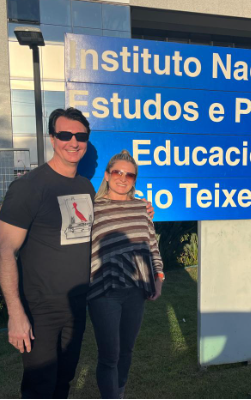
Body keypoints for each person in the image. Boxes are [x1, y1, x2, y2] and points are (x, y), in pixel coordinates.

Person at [0, 108, 153, 399]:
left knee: (64, 380)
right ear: (52, 138)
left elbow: (108, 217)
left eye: (80, 136)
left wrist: (139, 209)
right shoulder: (29, 187)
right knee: (40, 385)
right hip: (40, 308)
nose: (73, 141)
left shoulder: (85, 187)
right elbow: (5, 252)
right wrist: (15, 314)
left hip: (78, 303)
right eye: (65, 134)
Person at [87, 150, 164, 399]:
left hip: (136, 290)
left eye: (129, 175)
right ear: (107, 175)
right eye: (118, 172)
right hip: (103, 290)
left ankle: (119, 393)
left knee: (127, 350)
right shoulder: (92, 208)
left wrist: (159, 277)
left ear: (134, 180)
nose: (123, 178)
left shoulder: (142, 208)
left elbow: (152, 245)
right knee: (109, 355)